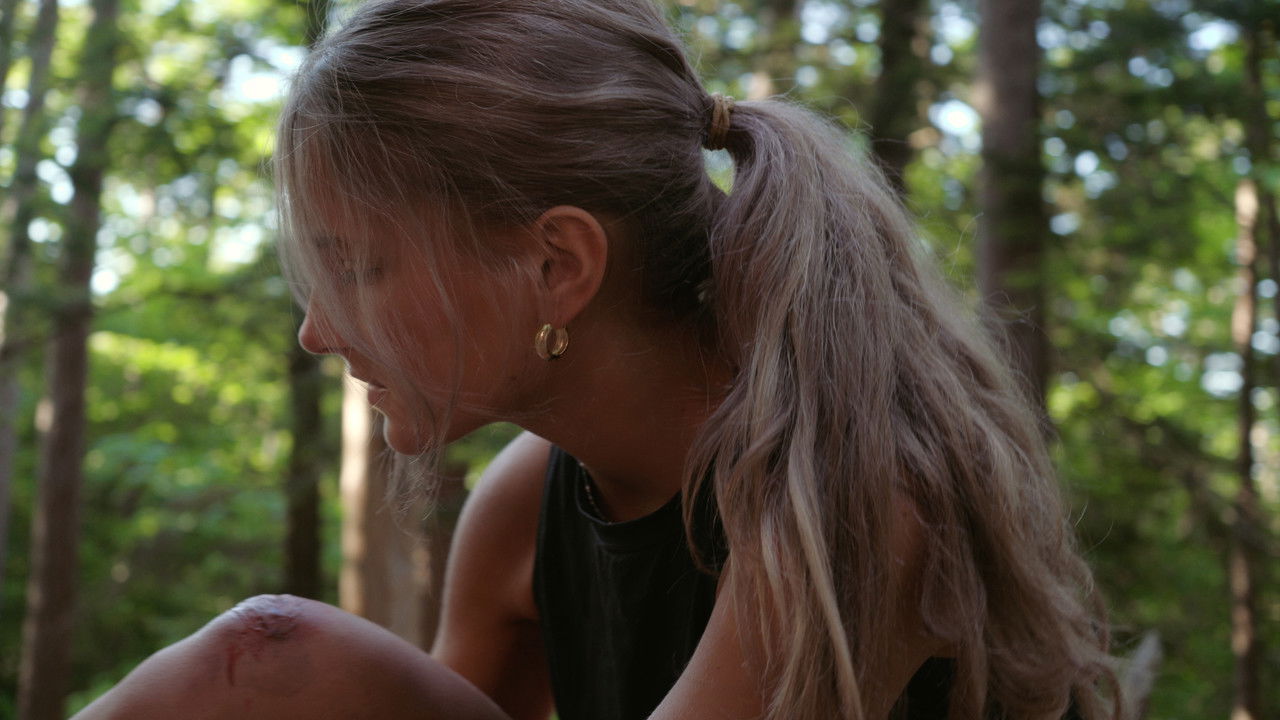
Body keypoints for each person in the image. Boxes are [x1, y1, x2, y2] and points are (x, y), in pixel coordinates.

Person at [73, 0, 1119, 718]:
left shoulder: (849, 499)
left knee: (284, 656)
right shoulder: (525, 504)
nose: (319, 330)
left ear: (555, 264)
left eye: (357, 267)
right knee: (269, 658)